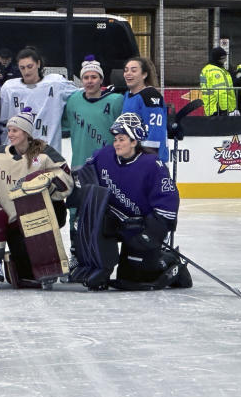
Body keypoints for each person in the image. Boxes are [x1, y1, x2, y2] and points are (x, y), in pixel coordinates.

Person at [70, 113, 191, 291]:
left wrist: (152, 228)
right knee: (88, 221)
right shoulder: (104, 155)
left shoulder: (152, 165)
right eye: (116, 139)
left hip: (139, 227)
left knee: (133, 280)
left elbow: (168, 202)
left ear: (134, 141)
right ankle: (95, 268)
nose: (116, 143)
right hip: (112, 219)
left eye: (122, 139)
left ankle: (170, 262)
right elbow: (85, 177)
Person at [0, 108, 73, 287]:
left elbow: (66, 179)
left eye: (15, 130)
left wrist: (48, 180)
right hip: (15, 219)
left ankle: (49, 266)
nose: (10, 134)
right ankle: (1, 264)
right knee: (26, 278)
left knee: (36, 268)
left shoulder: (45, 153)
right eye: (9, 130)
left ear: (26, 133)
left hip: (42, 216)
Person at [61, 56, 125, 256]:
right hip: (79, 165)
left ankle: (101, 254)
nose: (89, 81)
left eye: (94, 77)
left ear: (101, 80)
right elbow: (62, 123)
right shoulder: (73, 100)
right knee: (76, 210)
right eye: (86, 77)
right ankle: (76, 255)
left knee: (105, 211)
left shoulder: (115, 101)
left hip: (107, 167)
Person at [0, 46, 79, 153]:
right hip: (17, 154)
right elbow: (2, 120)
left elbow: (82, 95)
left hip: (47, 153)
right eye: (22, 68)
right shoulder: (9, 88)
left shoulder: (56, 83)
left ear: (38, 64)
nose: (26, 71)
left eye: (30, 66)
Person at [121, 56, 168, 161]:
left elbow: (155, 132)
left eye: (133, 70)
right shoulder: (127, 96)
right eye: (126, 70)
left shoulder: (150, 96)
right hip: (131, 158)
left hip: (148, 160)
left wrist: (147, 160)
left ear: (144, 75)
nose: (128, 73)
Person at [199, 46, 237, 117]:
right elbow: (220, 91)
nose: (225, 60)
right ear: (219, 59)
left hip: (210, 106)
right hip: (218, 108)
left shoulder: (206, 69)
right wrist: (224, 109)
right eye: (224, 58)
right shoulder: (216, 72)